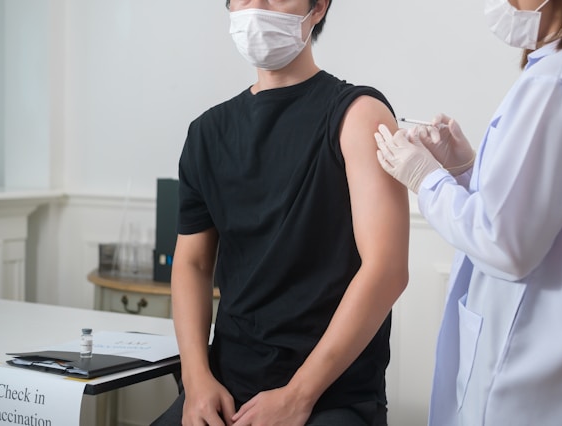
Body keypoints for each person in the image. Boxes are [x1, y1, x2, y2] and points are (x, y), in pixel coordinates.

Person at [152, 0, 410, 425]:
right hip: (226, 389)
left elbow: (387, 269)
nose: (256, 7)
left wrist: (298, 395)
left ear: (318, 7)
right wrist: (196, 380)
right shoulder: (206, 134)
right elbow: (193, 264)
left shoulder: (359, 115)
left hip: (330, 396)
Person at [375, 0, 562, 424]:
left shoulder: (556, 84)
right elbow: (540, 209)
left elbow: (505, 243)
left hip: (528, 382)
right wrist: (466, 171)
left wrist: (426, 178)